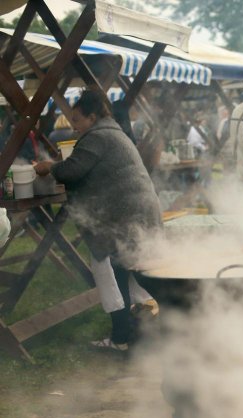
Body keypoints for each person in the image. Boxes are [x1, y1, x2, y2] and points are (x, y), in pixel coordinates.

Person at [33, 88, 162, 352]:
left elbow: (73, 170)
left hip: (124, 216)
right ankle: (139, 331)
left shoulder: (98, 136)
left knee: (115, 273)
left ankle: (121, 339)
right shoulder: (112, 132)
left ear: (92, 117)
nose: (74, 126)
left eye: (77, 120)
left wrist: (49, 168)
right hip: (136, 213)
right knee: (128, 271)